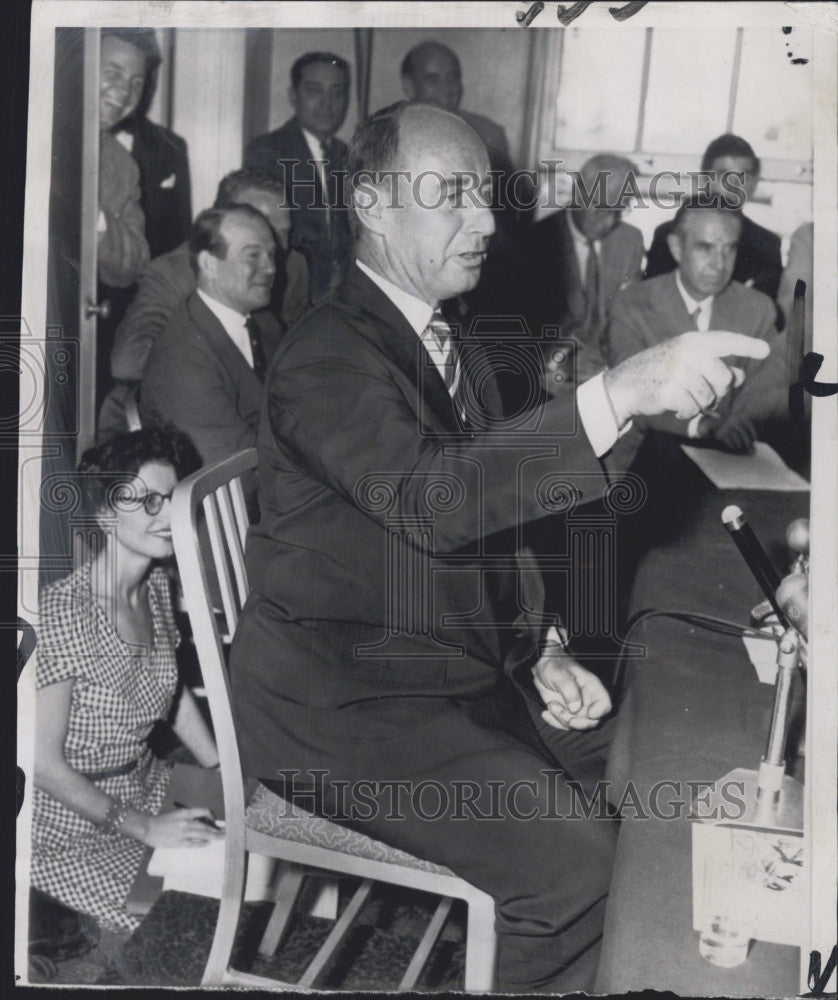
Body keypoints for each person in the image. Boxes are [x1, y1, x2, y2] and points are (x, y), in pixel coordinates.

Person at [228, 102, 771, 992]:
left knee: (662, 774)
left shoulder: (452, 338)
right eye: (452, 196)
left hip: (458, 671)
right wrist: (619, 392)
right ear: (370, 203)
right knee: (579, 872)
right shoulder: (327, 355)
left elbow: (498, 518)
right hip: (341, 708)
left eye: (485, 197)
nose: (485, 223)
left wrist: (541, 645)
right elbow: (439, 501)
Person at [31, 428, 221, 940]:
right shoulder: (61, 614)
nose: (168, 515)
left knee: (241, 875)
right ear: (105, 515)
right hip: (71, 821)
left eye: (173, 499)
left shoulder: (157, 585)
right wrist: (146, 827)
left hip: (143, 780)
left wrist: (218, 768)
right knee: (182, 926)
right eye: (150, 501)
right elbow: (43, 767)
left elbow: (171, 689)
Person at [100, 167, 309, 437]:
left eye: (284, 232)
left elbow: (297, 353)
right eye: (258, 225)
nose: (276, 250)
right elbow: (127, 361)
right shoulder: (171, 273)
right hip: (165, 430)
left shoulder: (294, 266)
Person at [608, 197, 787, 456]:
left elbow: (766, 388)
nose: (719, 264)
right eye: (705, 248)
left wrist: (743, 422)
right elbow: (630, 393)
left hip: (729, 460)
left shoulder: (758, 309)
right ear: (676, 247)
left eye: (729, 249)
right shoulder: (632, 305)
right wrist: (703, 425)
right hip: (643, 457)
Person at [139, 205, 283, 473]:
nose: (270, 267)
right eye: (253, 255)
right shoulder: (180, 359)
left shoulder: (265, 323)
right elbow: (233, 472)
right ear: (209, 264)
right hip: (235, 505)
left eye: (272, 254)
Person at [244, 51, 353, 303]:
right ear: (293, 96)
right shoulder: (267, 152)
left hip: (343, 303)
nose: (328, 103)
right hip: (290, 298)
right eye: (315, 91)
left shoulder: (347, 155)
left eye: (337, 92)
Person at [645, 133, 782, 302]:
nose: (733, 185)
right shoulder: (669, 234)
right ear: (705, 179)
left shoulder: (766, 244)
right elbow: (651, 302)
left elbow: (765, 314)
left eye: (743, 176)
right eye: (724, 174)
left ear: (754, 184)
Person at [400, 40, 521, 224]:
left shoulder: (488, 135)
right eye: (433, 80)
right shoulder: (387, 134)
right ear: (409, 86)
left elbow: (506, 216)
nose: (447, 89)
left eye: (453, 77)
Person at [97, 32, 150, 289]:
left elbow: (137, 261)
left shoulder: (124, 167)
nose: (124, 92)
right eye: (113, 73)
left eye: (136, 83)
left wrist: (96, 219)